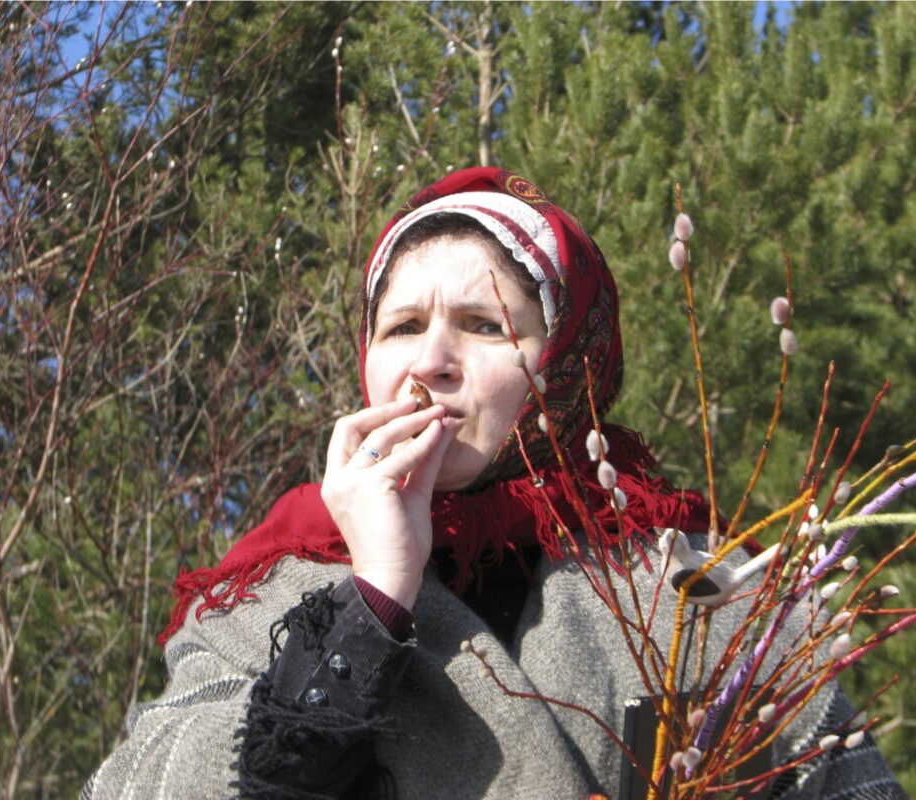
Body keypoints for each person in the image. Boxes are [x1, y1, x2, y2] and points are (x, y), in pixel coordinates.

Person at [83, 168, 902, 799]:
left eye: (483, 326)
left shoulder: (695, 586)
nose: (430, 362)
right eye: (402, 327)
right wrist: (371, 602)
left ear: (568, 362)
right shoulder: (269, 594)